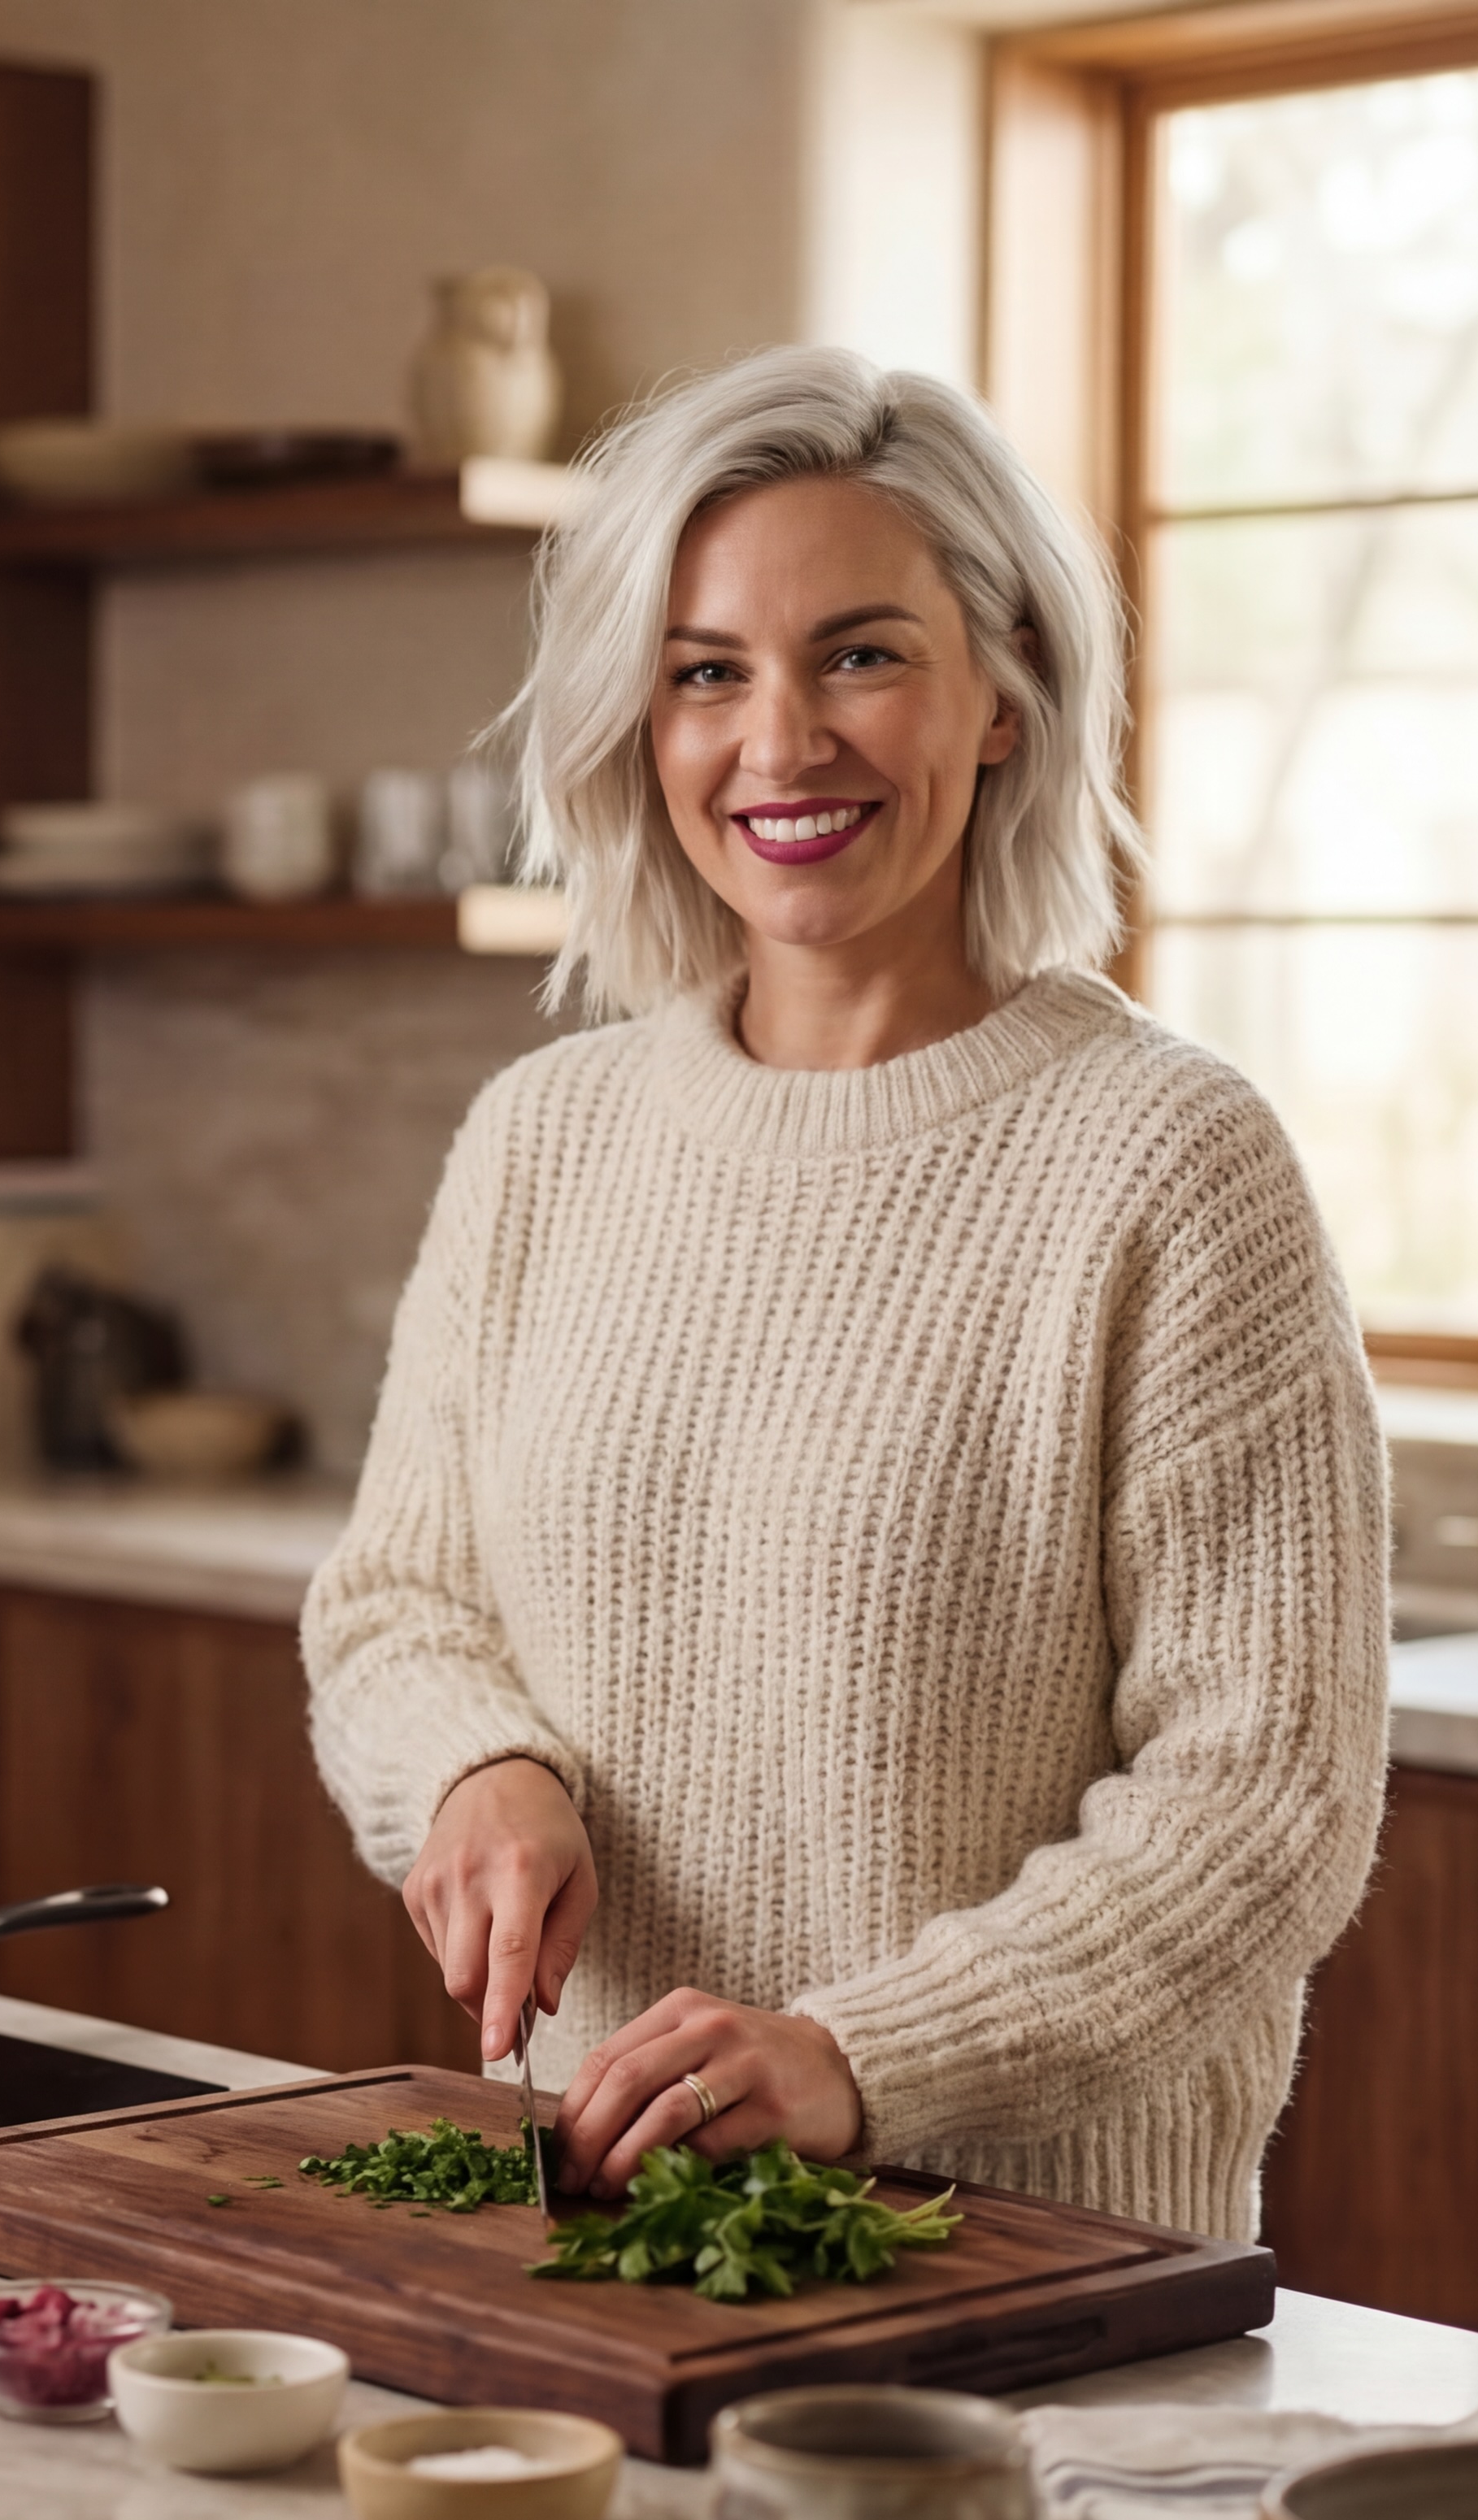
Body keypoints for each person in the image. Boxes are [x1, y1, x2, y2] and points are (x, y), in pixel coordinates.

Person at [300, 347, 1388, 2242]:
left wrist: (864, 2057)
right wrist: (474, 1771)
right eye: (708, 671)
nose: (779, 741)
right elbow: (400, 1603)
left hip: (1023, 2271)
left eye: (861, 655)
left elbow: (1264, 1795)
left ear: (1004, 697)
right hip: (592, 2236)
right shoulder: (545, 1139)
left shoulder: (1167, 1165)